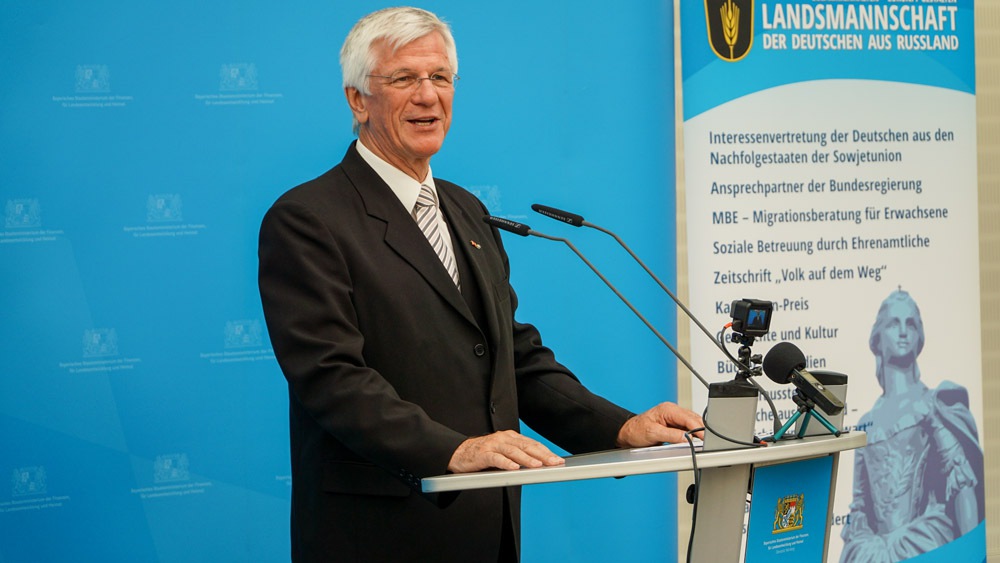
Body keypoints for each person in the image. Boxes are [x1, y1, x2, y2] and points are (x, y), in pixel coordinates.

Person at [257, 7, 703, 563]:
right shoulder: (309, 219)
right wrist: (454, 450)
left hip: (489, 529)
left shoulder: (467, 210)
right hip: (381, 533)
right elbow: (331, 379)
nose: (428, 95)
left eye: (440, 77)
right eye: (404, 78)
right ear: (358, 99)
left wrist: (621, 427)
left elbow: (513, 360)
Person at [840, 289, 984, 562]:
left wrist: (972, 554)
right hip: (872, 552)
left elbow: (961, 480)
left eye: (912, 324)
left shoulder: (935, 404)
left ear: (919, 337)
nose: (904, 332)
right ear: (877, 338)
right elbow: (860, 506)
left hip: (925, 542)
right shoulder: (865, 423)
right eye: (894, 323)